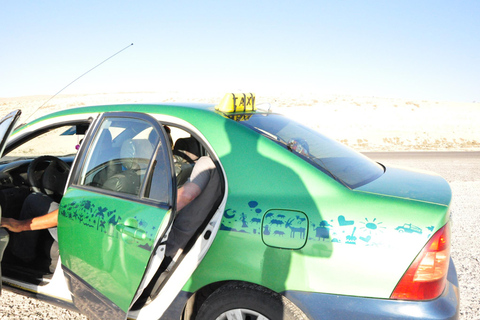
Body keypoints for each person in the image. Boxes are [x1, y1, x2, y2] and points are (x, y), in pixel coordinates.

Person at [1, 156, 219, 262]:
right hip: (157, 237)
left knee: (33, 200)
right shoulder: (216, 171)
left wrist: (21, 225)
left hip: (123, 239)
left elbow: (73, 211)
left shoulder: (204, 166)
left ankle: (19, 257)